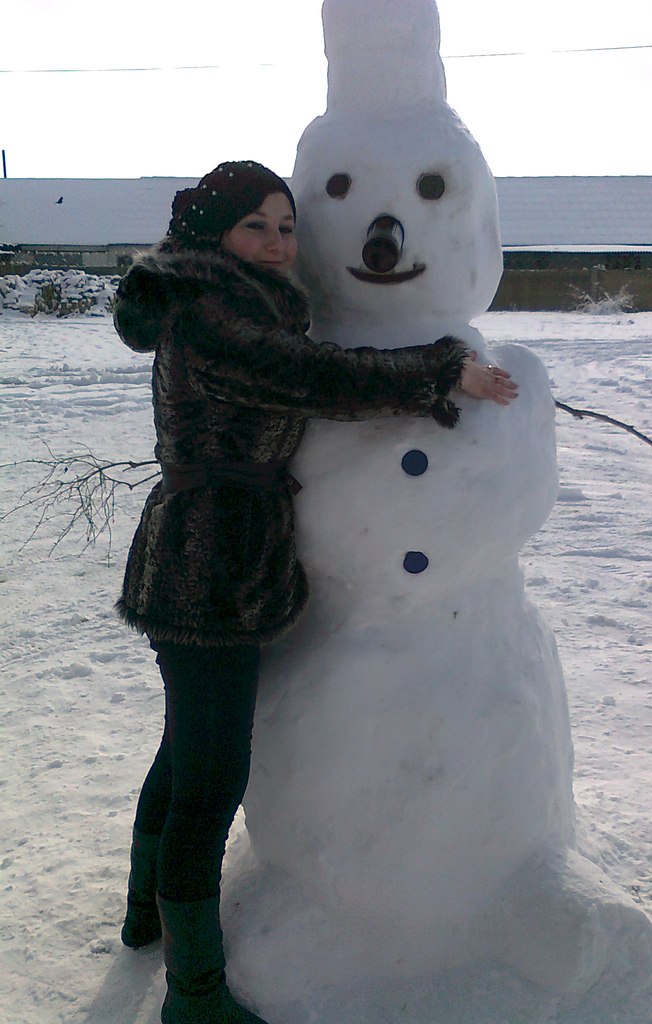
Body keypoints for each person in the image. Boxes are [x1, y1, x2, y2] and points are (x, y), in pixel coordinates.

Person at [112, 159, 516, 1024]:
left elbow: (304, 368)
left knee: (185, 747)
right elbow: (314, 380)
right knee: (210, 780)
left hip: (216, 552)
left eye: (287, 227)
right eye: (255, 226)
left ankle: (147, 917)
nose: (277, 243)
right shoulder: (211, 313)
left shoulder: (230, 302)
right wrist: (442, 371)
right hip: (207, 566)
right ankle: (195, 996)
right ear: (210, 233)